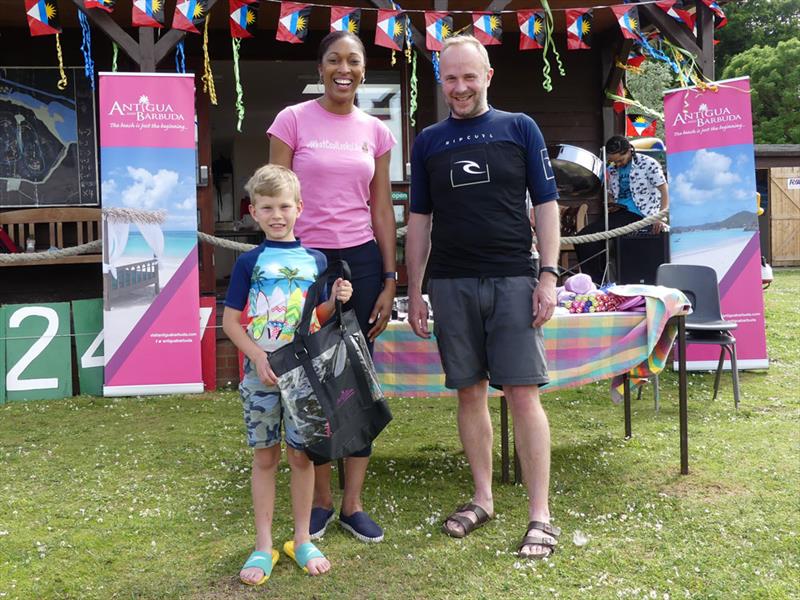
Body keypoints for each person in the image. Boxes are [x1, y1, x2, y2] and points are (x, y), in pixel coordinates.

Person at [405, 35, 562, 560]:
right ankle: (484, 499)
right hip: (450, 283)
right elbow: (419, 222)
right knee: (468, 392)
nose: (460, 87)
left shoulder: (520, 128)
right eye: (450, 78)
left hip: (514, 279)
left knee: (522, 393)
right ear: (441, 81)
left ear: (488, 76)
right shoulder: (427, 140)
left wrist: (548, 275)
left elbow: (546, 204)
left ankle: (540, 514)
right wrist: (416, 290)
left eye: (469, 76)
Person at [267, 30, 396, 543]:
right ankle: (319, 500)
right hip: (305, 262)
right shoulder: (292, 120)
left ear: (364, 69)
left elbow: (382, 208)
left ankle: (353, 504)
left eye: (354, 61)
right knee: (314, 376)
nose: (344, 69)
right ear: (320, 67)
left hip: (363, 263)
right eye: (334, 60)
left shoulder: (375, 131)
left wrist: (390, 278)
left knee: (356, 378)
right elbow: (274, 198)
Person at [222, 164, 353, 583]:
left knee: (301, 456)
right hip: (259, 376)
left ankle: (301, 539)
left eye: (284, 206)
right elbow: (229, 323)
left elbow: (316, 318)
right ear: (254, 212)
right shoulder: (250, 262)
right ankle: (263, 546)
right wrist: (258, 358)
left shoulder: (316, 260)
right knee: (265, 458)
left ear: (299, 208)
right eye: (266, 207)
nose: (276, 215)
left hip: (304, 378)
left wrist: (335, 299)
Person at [575, 135, 669, 283]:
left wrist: (660, 216)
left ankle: (595, 282)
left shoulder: (648, 163)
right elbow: (612, 195)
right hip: (621, 213)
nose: (617, 164)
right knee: (585, 238)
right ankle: (598, 281)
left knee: (587, 238)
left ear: (629, 151)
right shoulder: (612, 169)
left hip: (641, 214)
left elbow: (664, 190)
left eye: (620, 160)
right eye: (614, 161)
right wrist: (611, 204)